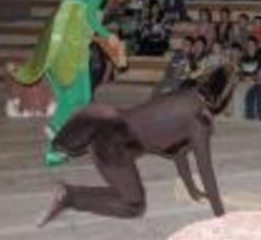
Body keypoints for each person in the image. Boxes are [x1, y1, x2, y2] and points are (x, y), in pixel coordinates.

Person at [36, 64, 237, 227]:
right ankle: (69, 196)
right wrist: (221, 216)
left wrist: (191, 188)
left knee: (126, 192)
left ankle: (69, 193)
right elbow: (206, 171)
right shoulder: (198, 122)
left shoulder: (186, 95)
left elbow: (180, 153)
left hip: (108, 128)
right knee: (133, 205)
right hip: (112, 144)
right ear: (221, 98)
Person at [6, 0, 127, 167]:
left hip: (56, 53)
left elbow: (73, 20)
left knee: (69, 101)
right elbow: (89, 18)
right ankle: (56, 139)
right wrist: (108, 35)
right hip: (72, 55)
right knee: (81, 99)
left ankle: (62, 143)